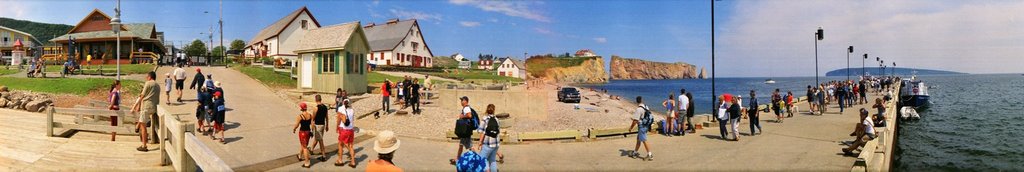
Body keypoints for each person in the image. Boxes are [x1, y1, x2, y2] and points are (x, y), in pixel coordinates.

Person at [131, 72, 160, 152]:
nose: (146, 78)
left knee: (143, 127)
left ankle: (144, 145)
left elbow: (142, 96)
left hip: (147, 106)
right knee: (142, 122)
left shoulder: (148, 83)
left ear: (150, 77)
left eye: (147, 76)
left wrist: (134, 106)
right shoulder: (158, 85)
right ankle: (137, 127)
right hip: (155, 108)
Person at [451, 96, 475, 165]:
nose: (461, 102)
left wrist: (462, 116)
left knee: (470, 147)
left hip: (466, 131)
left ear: (466, 101)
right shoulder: (465, 108)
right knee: (461, 145)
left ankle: (476, 159)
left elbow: (469, 116)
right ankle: (457, 159)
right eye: (461, 100)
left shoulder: (467, 108)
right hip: (465, 131)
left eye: (462, 100)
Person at [627, 96, 653, 160]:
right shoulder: (646, 106)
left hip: (642, 127)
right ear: (642, 100)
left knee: (644, 140)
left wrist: (631, 128)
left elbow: (635, 121)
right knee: (638, 139)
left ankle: (650, 155)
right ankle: (635, 152)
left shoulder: (638, 109)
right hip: (646, 125)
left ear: (636, 101)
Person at [477, 104, 500, 172]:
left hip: (488, 144)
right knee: (492, 160)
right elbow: (498, 131)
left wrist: (480, 142)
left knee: (482, 159)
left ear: (487, 110)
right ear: (494, 110)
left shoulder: (485, 119)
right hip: (496, 144)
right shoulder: (496, 119)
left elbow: (482, 132)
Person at [336, 99, 357, 168]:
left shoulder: (342, 111)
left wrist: (337, 126)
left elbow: (339, 119)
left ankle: (340, 160)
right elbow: (352, 120)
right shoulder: (352, 110)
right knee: (350, 145)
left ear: (343, 103)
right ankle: (353, 162)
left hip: (345, 130)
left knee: (340, 144)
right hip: (351, 130)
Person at [293, 102, 314, 168]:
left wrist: (294, 129)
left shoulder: (300, 116)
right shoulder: (310, 115)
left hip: (302, 133)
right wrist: (312, 131)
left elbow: (297, 125)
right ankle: (299, 155)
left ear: (301, 108)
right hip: (308, 132)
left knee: (305, 147)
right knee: (304, 144)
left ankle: (307, 163)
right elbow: (312, 124)